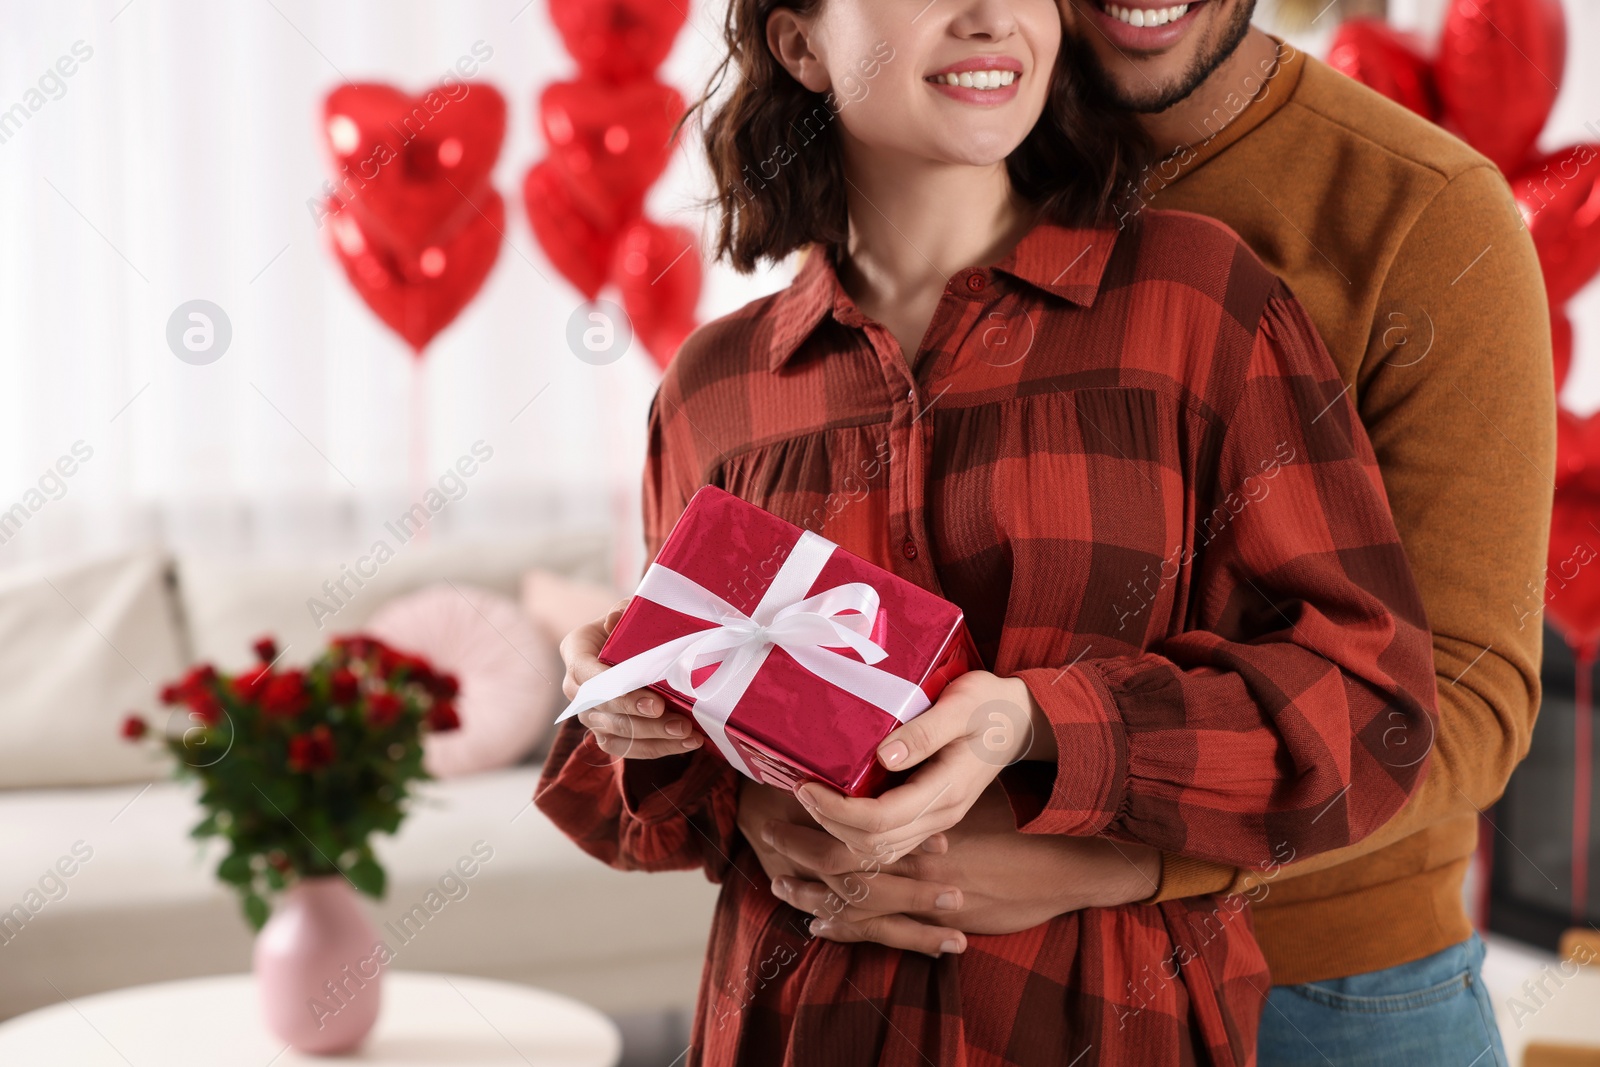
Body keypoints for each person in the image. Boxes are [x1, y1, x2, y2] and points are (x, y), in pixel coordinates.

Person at [537, 0, 1442, 1063]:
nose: (986, 18)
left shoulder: (1196, 305)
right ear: (798, 44)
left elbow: (1372, 709)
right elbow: (654, 817)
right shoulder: (716, 388)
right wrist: (635, 711)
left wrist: (1042, 722)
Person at [743, 2, 1555, 1065]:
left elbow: (1466, 697)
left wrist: (1120, 861)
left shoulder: (1420, 210)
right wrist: (754, 793)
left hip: (1325, 995)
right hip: (981, 976)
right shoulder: (949, 140)